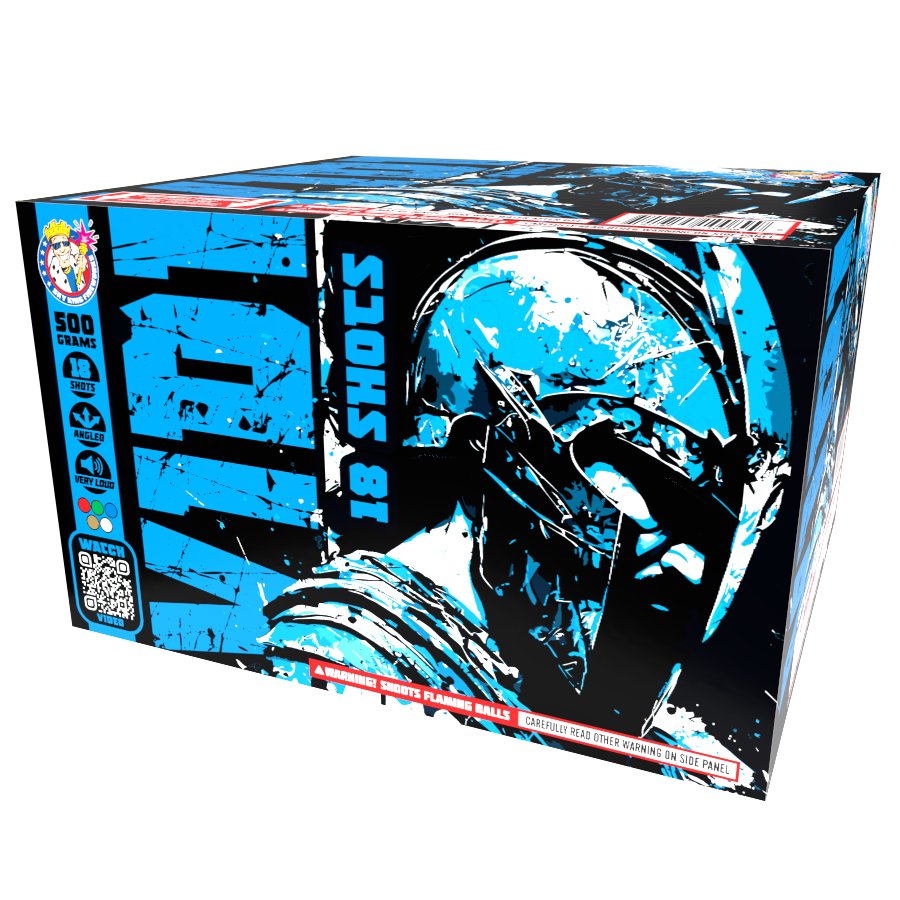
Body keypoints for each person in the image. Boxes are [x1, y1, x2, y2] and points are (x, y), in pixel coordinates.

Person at [261, 234, 790, 754]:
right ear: (489, 447)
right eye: (638, 486)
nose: (690, 565)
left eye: (713, 522)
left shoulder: (678, 750)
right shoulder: (348, 660)